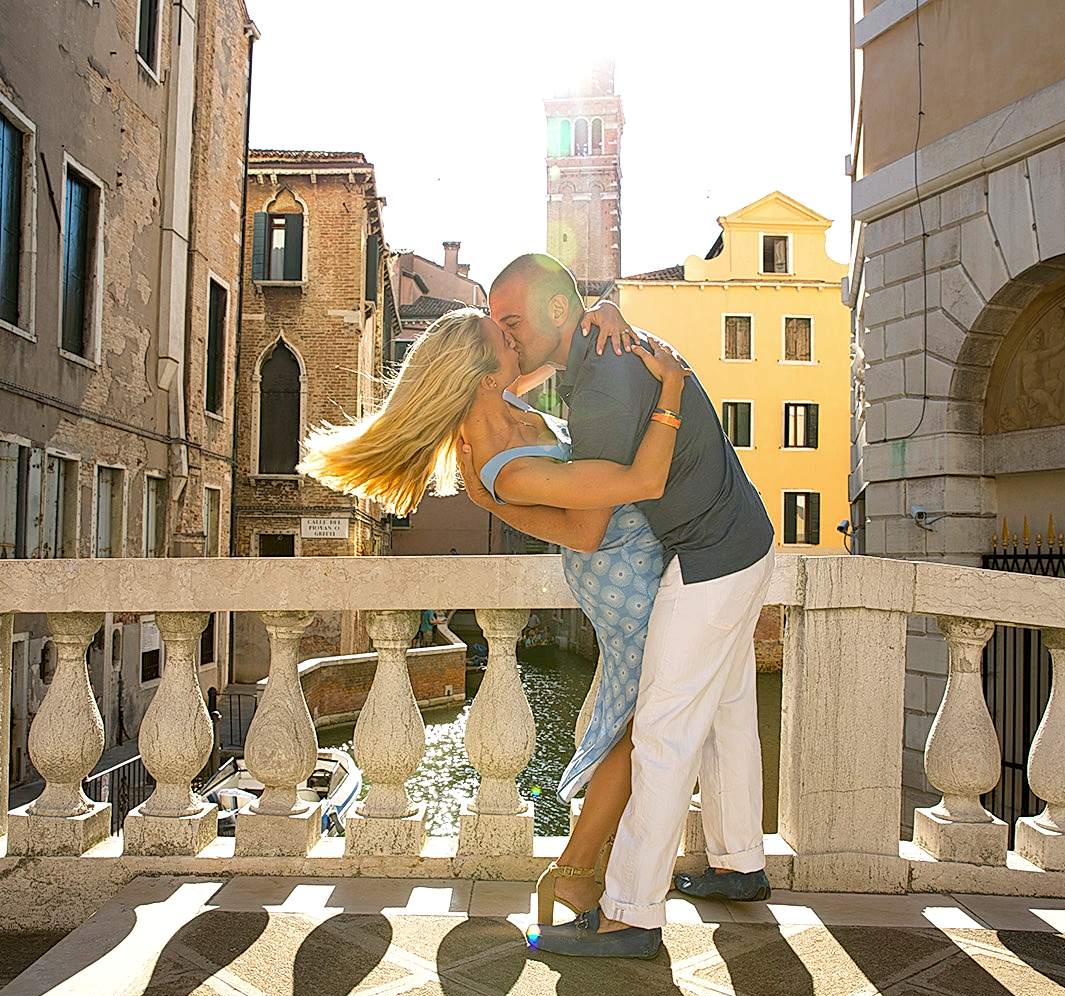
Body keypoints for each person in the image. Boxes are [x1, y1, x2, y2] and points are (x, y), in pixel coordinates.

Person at [297, 303, 687, 929]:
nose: (514, 334)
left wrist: (606, 312)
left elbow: (552, 356)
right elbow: (613, 508)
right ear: (480, 373)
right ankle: (576, 870)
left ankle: (583, 868)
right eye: (500, 335)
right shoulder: (504, 463)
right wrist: (671, 389)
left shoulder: (504, 405)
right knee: (643, 726)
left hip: (639, 563)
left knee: (642, 722)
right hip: (625, 577)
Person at [486, 253, 776, 960]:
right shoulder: (596, 355)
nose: (506, 340)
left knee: (664, 731)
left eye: (511, 323)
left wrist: (493, 495)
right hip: (742, 540)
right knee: (728, 709)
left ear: (559, 314)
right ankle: (741, 862)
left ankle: (630, 913)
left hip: (709, 559)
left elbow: (595, 521)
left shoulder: (604, 382)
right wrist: (601, 311)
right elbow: (525, 377)